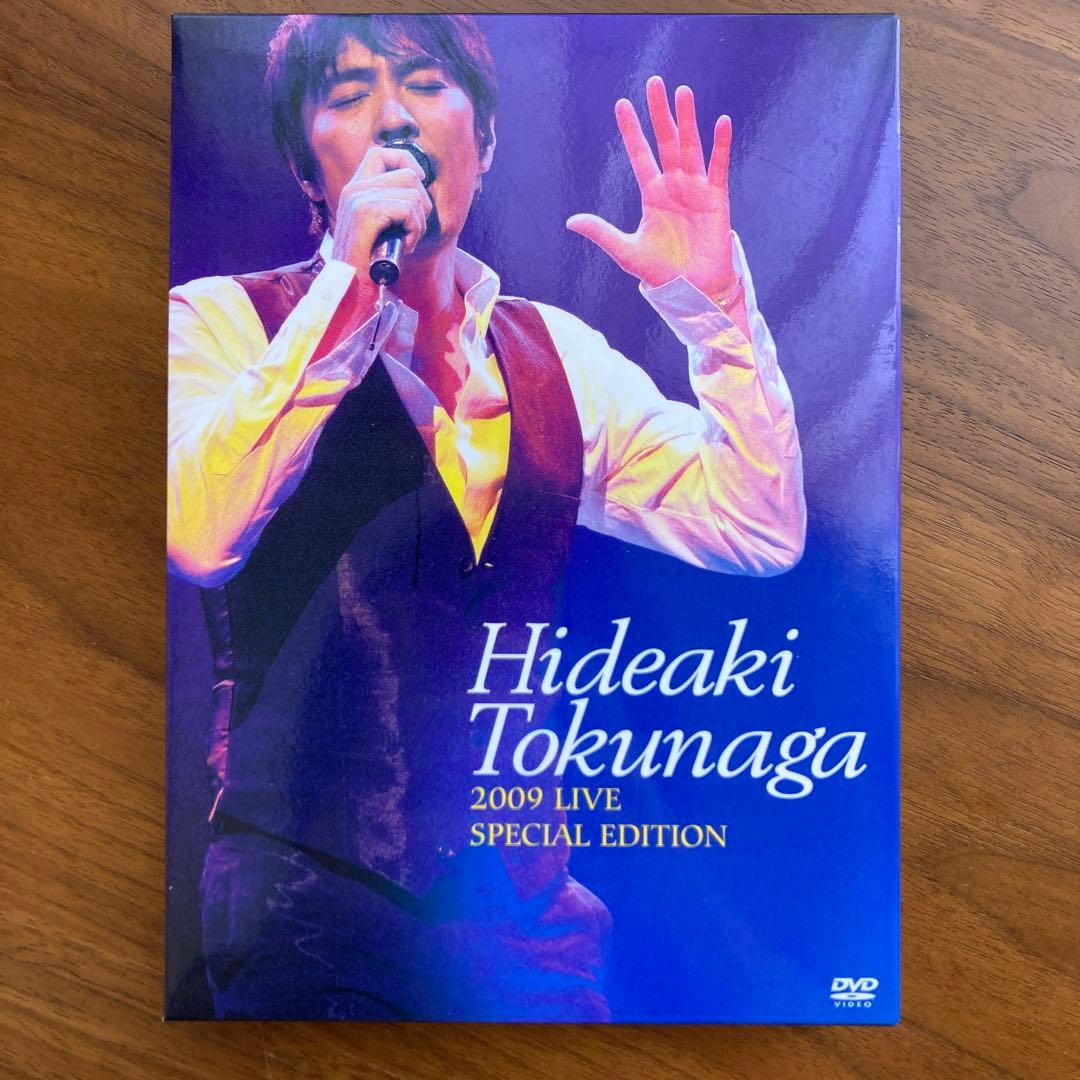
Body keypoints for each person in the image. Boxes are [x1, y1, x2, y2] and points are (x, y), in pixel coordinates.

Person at [168, 13, 805, 1021]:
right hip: (303, 923)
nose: (394, 119)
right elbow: (200, 535)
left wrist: (714, 309)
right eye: (349, 95)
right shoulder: (220, 326)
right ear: (304, 163)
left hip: (528, 932)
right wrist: (347, 297)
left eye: (426, 84)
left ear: (488, 138)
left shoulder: (558, 354)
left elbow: (759, 524)